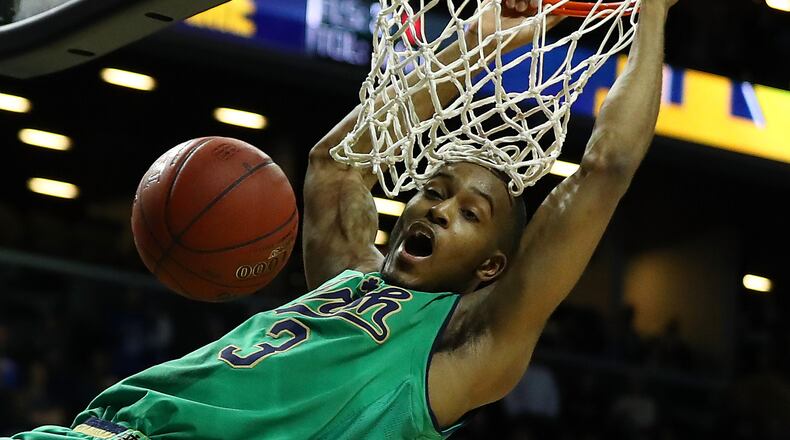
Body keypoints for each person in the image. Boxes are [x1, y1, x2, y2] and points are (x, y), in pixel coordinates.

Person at [7, 0, 677, 438]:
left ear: (492, 265)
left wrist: (652, 13)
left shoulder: (465, 350)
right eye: (435, 190)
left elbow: (606, 167)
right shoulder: (347, 276)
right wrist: (475, 41)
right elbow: (338, 164)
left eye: (470, 212)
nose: (440, 208)